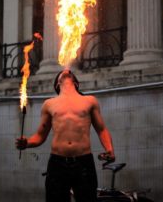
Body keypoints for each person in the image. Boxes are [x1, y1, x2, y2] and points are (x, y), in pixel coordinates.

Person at [16, 69, 115, 202]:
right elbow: (40, 135)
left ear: (76, 82)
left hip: (83, 163)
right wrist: (27, 143)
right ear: (58, 84)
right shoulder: (49, 104)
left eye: (69, 72)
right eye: (62, 73)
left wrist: (110, 149)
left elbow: (102, 130)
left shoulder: (90, 101)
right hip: (57, 163)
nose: (66, 70)